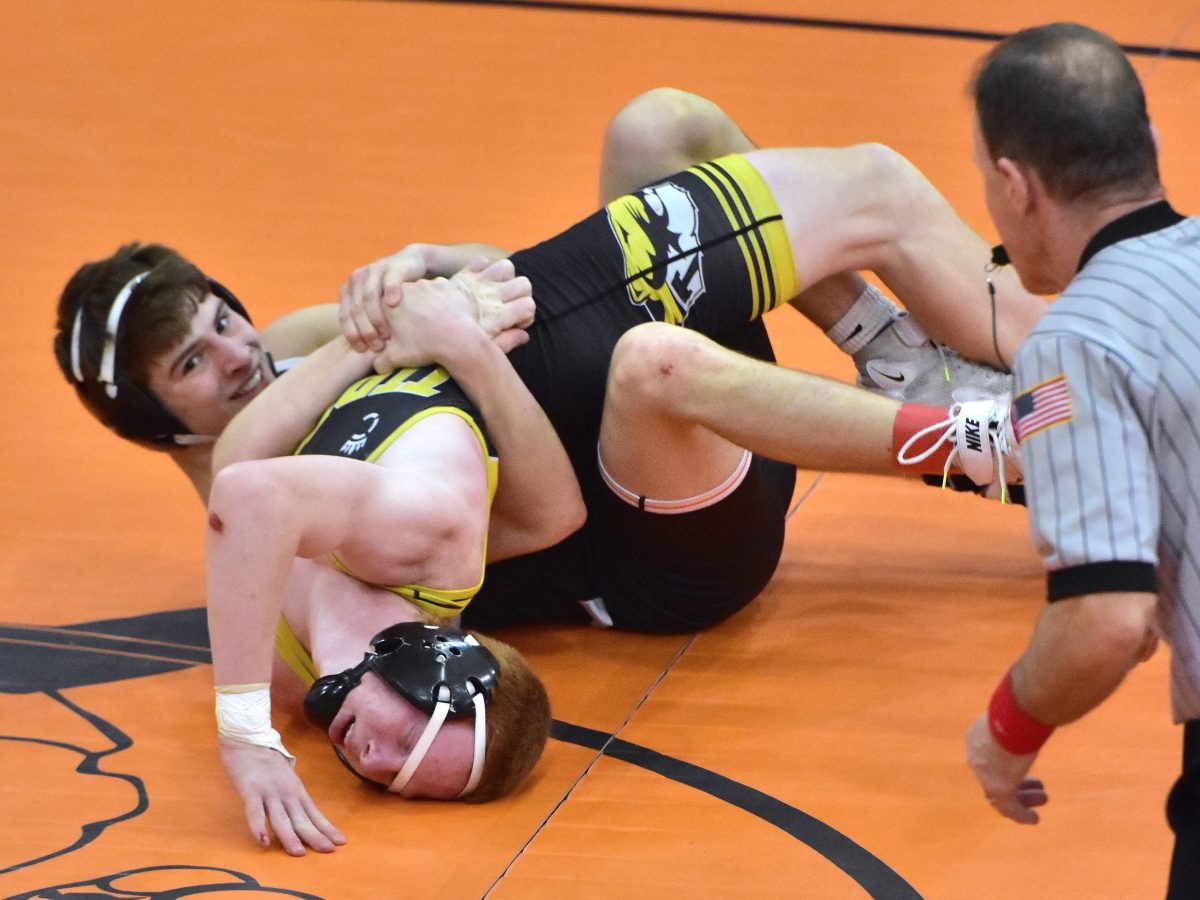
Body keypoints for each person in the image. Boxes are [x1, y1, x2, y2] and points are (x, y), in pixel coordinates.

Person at [57, 91, 1035, 854]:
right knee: (658, 358)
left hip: (607, 438)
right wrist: (247, 736)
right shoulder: (308, 513)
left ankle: (910, 355)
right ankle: (993, 435)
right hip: (645, 530)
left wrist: (430, 268)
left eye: (222, 321)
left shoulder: (295, 356)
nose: (233, 355)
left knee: (664, 129)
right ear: (157, 428)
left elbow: (498, 298)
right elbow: (252, 491)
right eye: (192, 365)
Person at [958, 23, 1199, 895]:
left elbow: (1105, 619)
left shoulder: (1071, 345)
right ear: (1153, 148)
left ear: (1016, 187)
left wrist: (1004, 731)